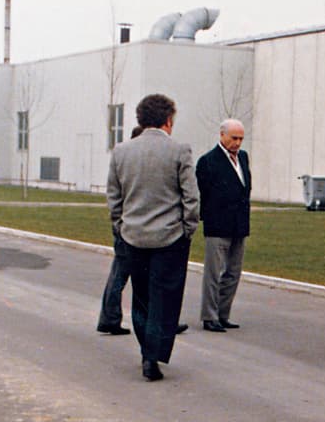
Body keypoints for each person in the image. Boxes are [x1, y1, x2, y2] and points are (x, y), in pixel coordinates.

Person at [106, 94, 200, 380]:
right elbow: (191, 197)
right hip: (169, 238)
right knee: (166, 298)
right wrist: (188, 229)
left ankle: (146, 351)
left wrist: (120, 226)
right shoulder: (179, 151)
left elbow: (114, 196)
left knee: (142, 298)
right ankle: (153, 354)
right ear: (168, 120)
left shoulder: (121, 152)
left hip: (133, 235)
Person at [97, 126, 188, 337]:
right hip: (133, 230)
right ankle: (114, 318)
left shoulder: (126, 160)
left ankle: (112, 317)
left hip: (127, 226)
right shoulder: (134, 162)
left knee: (123, 275)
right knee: (129, 276)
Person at [195, 118, 251, 333]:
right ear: (222, 135)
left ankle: (223, 313)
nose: (237, 143)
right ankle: (209, 316)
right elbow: (204, 194)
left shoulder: (243, 158)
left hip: (239, 225)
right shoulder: (208, 161)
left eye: (241, 139)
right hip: (218, 225)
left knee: (233, 272)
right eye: (233, 138)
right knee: (213, 273)